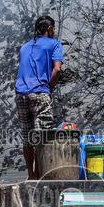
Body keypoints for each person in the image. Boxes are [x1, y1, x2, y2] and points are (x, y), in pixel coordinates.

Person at [15, 14, 64, 180]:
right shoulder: (54, 44)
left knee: (28, 138)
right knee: (42, 137)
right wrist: (49, 88)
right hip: (40, 93)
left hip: (21, 94)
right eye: (53, 28)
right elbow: (57, 70)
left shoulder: (24, 47)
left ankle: (31, 175)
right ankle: (42, 177)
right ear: (49, 29)